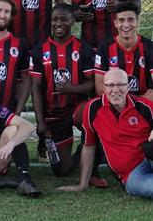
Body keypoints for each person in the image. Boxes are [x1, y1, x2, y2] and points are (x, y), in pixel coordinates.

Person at [58, 68, 153, 199]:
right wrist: (82, 184)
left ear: (128, 86)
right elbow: (88, 146)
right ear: (103, 87)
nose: (115, 90)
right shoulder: (93, 108)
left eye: (120, 85)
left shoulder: (145, 106)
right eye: (110, 85)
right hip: (132, 174)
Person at [30, 3, 95, 176]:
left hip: (75, 108)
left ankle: (89, 150)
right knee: (61, 170)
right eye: (55, 19)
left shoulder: (83, 49)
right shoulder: (39, 50)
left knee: (95, 118)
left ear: (73, 20)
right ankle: (76, 156)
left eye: (64, 19)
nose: (59, 24)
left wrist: (71, 88)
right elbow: (35, 88)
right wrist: (40, 121)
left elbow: (92, 83)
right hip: (53, 114)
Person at [95, 1, 153, 100]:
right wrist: (128, 103)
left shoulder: (149, 47)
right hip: (115, 103)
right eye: (121, 20)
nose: (126, 25)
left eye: (130, 20)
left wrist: (137, 104)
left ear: (137, 22)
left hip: (144, 105)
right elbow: (100, 89)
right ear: (115, 23)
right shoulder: (105, 48)